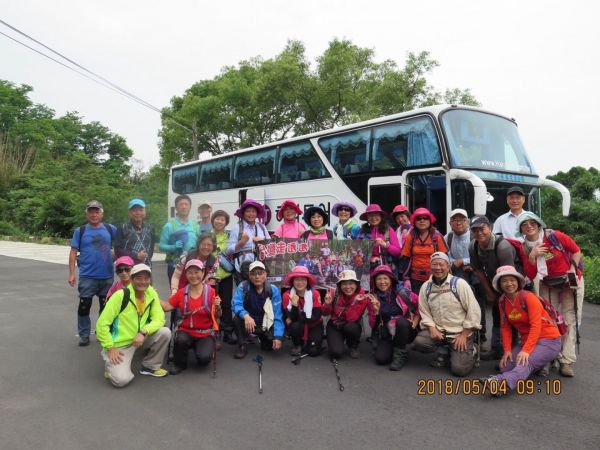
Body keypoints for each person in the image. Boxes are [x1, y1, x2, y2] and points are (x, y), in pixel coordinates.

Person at [516, 212, 584, 377]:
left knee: (569, 320)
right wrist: (532, 256)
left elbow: (576, 251)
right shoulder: (524, 247)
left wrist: (572, 270)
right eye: (525, 225)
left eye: (532, 223)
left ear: (539, 224)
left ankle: (566, 361)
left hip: (570, 280)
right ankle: (551, 355)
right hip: (548, 282)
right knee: (550, 320)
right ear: (521, 230)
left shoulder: (554, 236)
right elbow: (531, 275)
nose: (529, 226)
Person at [480, 265, 562, 394]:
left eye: (512, 280)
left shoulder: (528, 297)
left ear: (517, 281)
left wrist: (526, 351)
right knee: (505, 367)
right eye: (504, 281)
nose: (509, 284)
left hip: (549, 340)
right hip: (527, 341)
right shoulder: (502, 301)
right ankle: (539, 364)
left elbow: (536, 325)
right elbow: (505, 327)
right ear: (499, 284)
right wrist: (507, 350)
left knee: (525, 362)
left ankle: (500, 384)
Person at [96, 264, 171, 387]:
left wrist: (143, 332)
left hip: (139, 338)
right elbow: (101, 324)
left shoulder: (151, 293)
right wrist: (110, 347)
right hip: (120, 344)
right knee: (120, 380)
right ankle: (109, 362)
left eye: (146, 278)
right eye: (139, 278)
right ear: (131, 279)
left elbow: (159, 318)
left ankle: (149, 366)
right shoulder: (120, 295)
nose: (143, 282)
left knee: (164, 332)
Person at [413, 252, 481, 377]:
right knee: (420, 342)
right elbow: (424, 311)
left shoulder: (459, 284)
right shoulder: (426, 287)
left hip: (459, 333)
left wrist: (464, 335)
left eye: (441, 264)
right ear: (430, 266)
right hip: (439, 332)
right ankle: (444, 350)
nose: (438, 268)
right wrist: (432, 329)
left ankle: (473, 350)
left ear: (448, 266)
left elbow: (474, 310)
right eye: (434, 264)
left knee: (459, 370)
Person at [469, 215, 522, 359]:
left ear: (490, 228)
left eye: (482, 228)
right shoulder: (473, 246)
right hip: (496, 280)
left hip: (513, 281)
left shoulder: (502, 246)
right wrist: (489, 292)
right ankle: (497, 348)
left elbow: (510, 276)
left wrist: (507, 296)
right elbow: (478, 270)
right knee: (496, 312)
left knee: (512, 314)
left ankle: (511, 351)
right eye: (475, 230)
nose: (479, 232)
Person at [68, 200, 116, 347]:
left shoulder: (110, 229)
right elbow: (73, 252)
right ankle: (83, 334)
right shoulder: (80, 231)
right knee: (84, 305)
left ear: (102, 213)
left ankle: (102, 332)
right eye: (91, 211)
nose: (94, 214)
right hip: (87, 276)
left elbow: (122, 244)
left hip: (107, 275)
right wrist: (71, 273)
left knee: (105, 307)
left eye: (97, 211)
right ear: (86, 214)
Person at [161, 259, 221, 375]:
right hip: (186, 331)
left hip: (205, 333)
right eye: (190, 272)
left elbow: (218, 316)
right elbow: (167, 307)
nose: (194, 276)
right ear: (186, 274)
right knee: (181, 339)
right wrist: (152, 295)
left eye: (197, 272)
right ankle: (180, 364)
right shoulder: (181, 292)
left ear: (203, 272)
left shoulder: (211, 292)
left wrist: (218, 307)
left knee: (203, 360)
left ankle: (199, 348)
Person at [367, 265, 419, 370]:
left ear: (391, 279)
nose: (382, 282)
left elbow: (421, 304)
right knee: (381, 359)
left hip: (405, 329)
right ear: (374, 281)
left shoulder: (402, 292)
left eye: (385, 278)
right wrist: (376, 311)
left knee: (401, 322)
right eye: (379, 279)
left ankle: (400, 353)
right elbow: (372, 325)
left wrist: (416, 319)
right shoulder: (373, 297)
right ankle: (394, 347)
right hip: (387, 332)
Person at [445, 209, 486, 342]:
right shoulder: (448, 237)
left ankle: (481, 333)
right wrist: (454, 263)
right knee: (462, 303)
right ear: (450, 223)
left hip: (477, 272)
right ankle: (464, 332)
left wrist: (464, 261)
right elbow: (447, 256)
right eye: (455, 220)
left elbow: (482, 254)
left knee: (479, 303)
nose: (458, 223)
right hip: (459, 274)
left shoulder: (475, 235)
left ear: (467, 222)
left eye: (461, 220)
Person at [232, 261, 284, 359]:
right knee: (237, 319)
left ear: (265, 274)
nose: (257, 276)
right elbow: (236, 304)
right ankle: (242, 344)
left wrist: (278, 336)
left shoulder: (273, 290)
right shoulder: (244, 286)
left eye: (260, 273)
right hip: (249, 322)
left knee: (268, 347)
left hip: (265, 323)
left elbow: (278, 314)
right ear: (249, 275)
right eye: (253, 273)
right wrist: (245, 315)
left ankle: (263, 338)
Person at [399, 207, 448, 295]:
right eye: (418, 218)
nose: (422, 221)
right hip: (415, 279)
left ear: (430, 221)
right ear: (414, 221)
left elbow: (444, 257)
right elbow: (405, 258)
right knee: (418, 305)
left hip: (435, 277)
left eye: (425, 218)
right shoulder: (411, 237)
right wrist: (406, 278)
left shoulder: (436, 236)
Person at [321, 270, 368, 359]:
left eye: (351, 283)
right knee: (336, 353)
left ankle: (353, 345)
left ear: (356, 285)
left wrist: (354, 302)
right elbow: (324, 313)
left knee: (351, 327)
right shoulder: (334, 293)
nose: (347, 287)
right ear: (340, 285)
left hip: (350, 324)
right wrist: (327, 304)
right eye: (344, 284)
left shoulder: (361, 296)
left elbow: (351, 318)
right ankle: (339, 339)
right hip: (334, 325)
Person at [282, 265, 323, 357]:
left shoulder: (315, 294)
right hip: (299, 324)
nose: (300, 282)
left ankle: (312, 342)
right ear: (292, 281)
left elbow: (316, 316)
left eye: (303, 279)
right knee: (295, 324)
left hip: (314, 324)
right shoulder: (287, 295)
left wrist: (297, 317)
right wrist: (295, 306)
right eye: (297, 279)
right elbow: (293, 317)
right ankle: (297, 344)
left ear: (307, 281)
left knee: (313, 352)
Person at [226, 199, 270, 282]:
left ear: (257, 213)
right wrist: (241, 242)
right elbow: (228, 250)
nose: (251, 214)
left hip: (260, 267)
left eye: (253, 211)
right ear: (243, 213)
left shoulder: (261, 227)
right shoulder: (237, 228)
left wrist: (262, 242)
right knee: (245, 293)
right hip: (243, 269)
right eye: (248, 211)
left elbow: (270, 245)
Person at [159, 194, 199, 285]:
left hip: (192, 266)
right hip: (174, 266)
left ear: (190, 207)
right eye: (181, 204)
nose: (184, 207)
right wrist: (174, 247)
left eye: (186, 204)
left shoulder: (195, 225)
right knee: (176, 295)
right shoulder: (169, 226)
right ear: (176, 208)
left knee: (193, 295)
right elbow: (161, 246)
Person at [211, 210, 236, 344]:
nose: (219, 221)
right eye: (217, 218)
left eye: (222, 219)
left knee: (226, 304)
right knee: (211, 304)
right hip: (211, 276)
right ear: (212, 220)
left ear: (226, 222)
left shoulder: (229, 235)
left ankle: (227, 332)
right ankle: (212, 331)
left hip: (225, 275)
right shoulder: (207, 235)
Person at [356, 204, 401, 272]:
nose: (373, 218)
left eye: (376, 215)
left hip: (385, 270)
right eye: (370, 215)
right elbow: (356, 252)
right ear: (367, 218)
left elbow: (397, 252)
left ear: (381, 216)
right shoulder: (362, 232)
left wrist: (385, 245)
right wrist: (370, 258)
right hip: (367, 270)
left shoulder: (388, 230)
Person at [114, 198, 154, 266]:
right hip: (128, 269)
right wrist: (136, 255)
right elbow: (117, 250)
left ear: (145, 211)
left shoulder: (150, 228)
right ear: (129, 212)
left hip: (146, 268)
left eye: (141, 210)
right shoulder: (122, 228)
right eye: (134, 210)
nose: (138, 213)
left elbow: (151, 249)